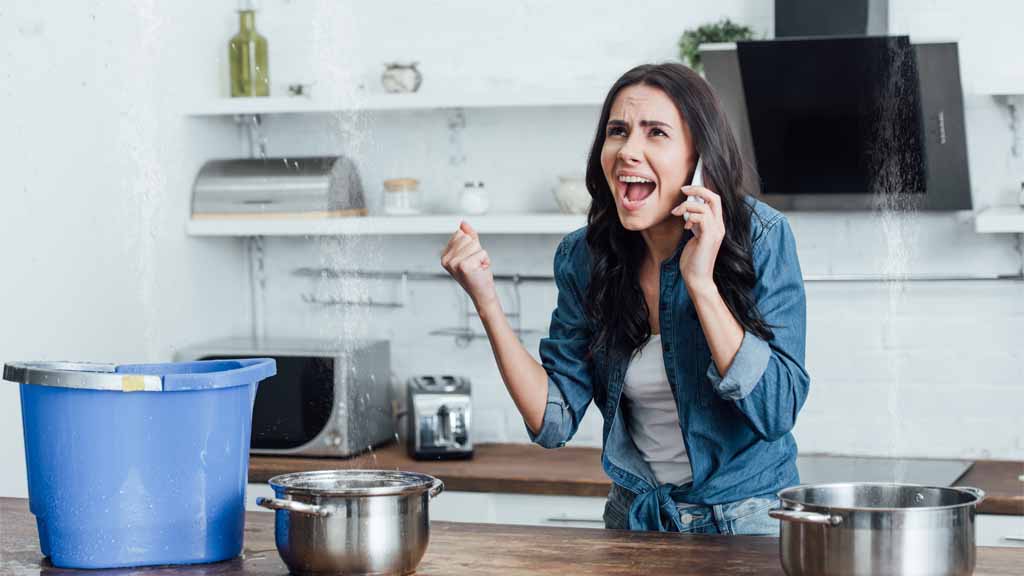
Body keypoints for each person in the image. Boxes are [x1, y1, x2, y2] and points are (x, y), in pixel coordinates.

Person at [440, 62, 809, 535]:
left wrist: (701, 283)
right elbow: (552, 422)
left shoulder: (762, 237)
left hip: (747, 521)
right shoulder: (585, 255)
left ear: (700, 156)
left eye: (656, 133)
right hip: (635, 521)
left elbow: (776, 410)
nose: (628, 151)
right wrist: (486, 300)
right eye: (618, 132)